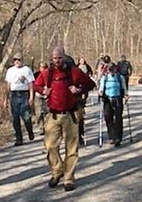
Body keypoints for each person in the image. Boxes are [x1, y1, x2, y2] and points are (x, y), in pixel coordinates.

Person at [33, 46, 96, 191]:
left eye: (59, 58)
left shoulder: (74, 72)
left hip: (70, 115)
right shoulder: (47, 73)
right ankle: (57, 171)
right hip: (53, 115)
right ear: (51, 58)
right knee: (50, 146)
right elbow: (36, 85)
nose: (57, 60)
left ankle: (69, 178)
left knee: (71, 148)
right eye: (54, 58)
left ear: (64, 57)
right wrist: (43, 90)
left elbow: (90, 84)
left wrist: (79, 89)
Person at [3, 52, 35, 145]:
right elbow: (7, 85)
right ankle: (19, 138)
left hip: (24, 95)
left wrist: (31, 96)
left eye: (19, 60)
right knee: (15, 118)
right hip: (14, 95)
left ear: (22, 60)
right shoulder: (10, 71)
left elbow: (30, 84)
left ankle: (30, 131)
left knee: (26, 117)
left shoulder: (27, 70)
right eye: (15, 60)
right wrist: (5, 99)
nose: (17, 61)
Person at [98, 62, 128, 147]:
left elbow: (124, 87)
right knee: (108, 117)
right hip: (107, 99)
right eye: (110, 69)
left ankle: (118, 137)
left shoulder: (120, 77)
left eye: (113, 69)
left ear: (115, 69)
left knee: (118, 117)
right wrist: (100, 92)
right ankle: (112, 137)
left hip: (117, 98)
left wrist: (126, 94)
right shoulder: (105, 78)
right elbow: (101, 87)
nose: (111, 71)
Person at [76, 57, 95, 145]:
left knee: (79, 119)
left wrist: (81, 90)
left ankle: (80, 136)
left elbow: (91, 84)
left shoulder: (78, 74)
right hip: (65, 103)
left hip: (78, 100)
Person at [33, 62, 49, 135]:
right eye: (41, 67)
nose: (43, 68)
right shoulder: (36, 75)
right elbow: (34, 85)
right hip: (38, 95)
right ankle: (41, 128)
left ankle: (48, 127)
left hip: (48, 95)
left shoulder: (50, 75)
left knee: (48, 112)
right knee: (39, 112)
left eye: (44, 67)